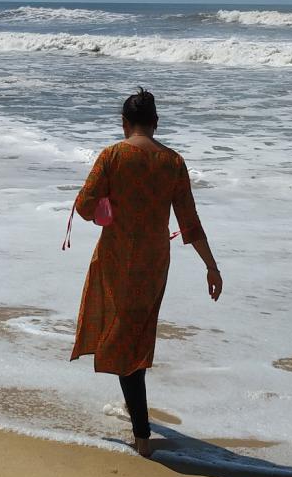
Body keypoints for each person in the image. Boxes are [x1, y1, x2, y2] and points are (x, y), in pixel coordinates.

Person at [69, 88, 222, 457]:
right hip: (154, 262)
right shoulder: (173, 162)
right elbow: (189, 223)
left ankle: (141, 435)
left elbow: (84, 206)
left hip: (118, 257)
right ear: (155, 123)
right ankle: (136, 417)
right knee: (135, 336)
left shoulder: (112, 156)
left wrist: (108, 206)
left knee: (124, 339)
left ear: (125, 124)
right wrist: (211, 266)